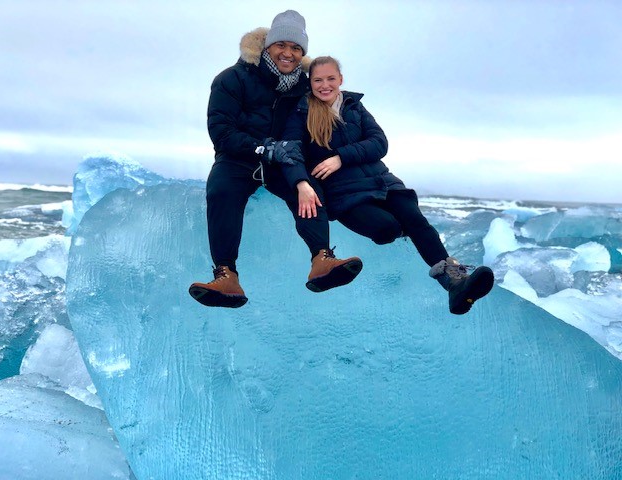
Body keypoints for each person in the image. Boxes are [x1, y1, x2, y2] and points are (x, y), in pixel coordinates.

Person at [276, 56, 494, 315]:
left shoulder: (353, 106)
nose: (325, 85)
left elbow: (380, 143)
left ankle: (454, 284)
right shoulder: (303, 112)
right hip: (344, 193)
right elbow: (291, 151)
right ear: (309, 83)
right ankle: (420, 249)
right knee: (386, 228)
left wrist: (340, 158)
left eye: (331, 79)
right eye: (318, 80)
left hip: (383, 181)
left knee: (415, 219)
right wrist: (300, 182)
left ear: (341, 80)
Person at [188, 13, 363, 309]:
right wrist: (262, 148)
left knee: (308, 190)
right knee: (220, 192)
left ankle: (322, 259)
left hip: (282, 160)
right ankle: (226, 275)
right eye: (281, 44)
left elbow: (330, 108)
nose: (288, 53)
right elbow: (221, 132)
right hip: (239, 158)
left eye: (296, 48)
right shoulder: (232, 78)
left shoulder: (304, 86)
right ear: (267, 46)